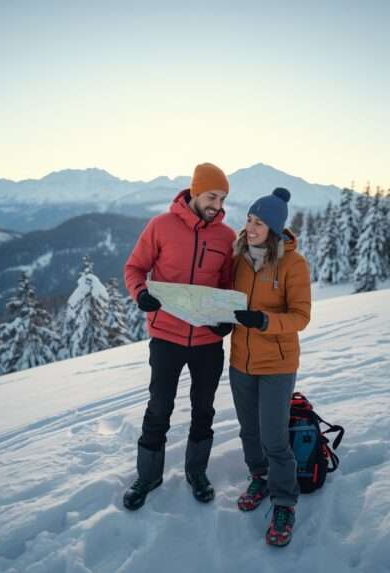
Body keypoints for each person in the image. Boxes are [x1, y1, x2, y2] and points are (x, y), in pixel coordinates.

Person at [122, 162, 237, 510]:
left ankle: (196, 472)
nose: (217, 204)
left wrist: (226, 319)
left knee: (204, 409)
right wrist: (140, 293)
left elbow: (229, 285)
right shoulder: (161, 226)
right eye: (211, 196)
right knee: (159, 407)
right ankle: (148, 475)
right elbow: (134, 267)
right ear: (195, 191)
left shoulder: (226, 237)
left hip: (207, 343)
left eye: (222, 198)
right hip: (166, 336)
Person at [228, 187, 311, 547]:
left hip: (276, 363)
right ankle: (259, 477)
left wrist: (264, 321)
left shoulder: (294, 263)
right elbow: (228, 303)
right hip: (240, 361)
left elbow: (301, 317)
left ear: (275, 228)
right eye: (248, 219)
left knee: (274, 437)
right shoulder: (238, 258)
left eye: (259, 222)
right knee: (249, 430)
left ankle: (284, 501)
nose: (250, 228)